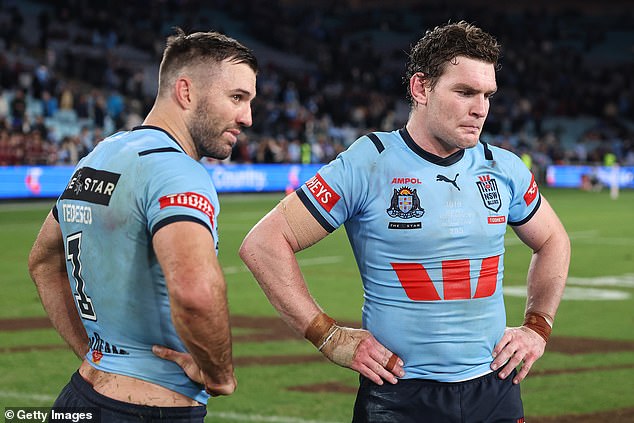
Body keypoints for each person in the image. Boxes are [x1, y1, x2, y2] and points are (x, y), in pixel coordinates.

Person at [238, 21, 570, 422]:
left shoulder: (503, 168)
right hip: (400, 396)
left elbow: (553, 239)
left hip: (495, 387)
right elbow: (264, 243)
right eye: (465, 92)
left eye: (487, 95)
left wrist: (537, 326)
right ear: (421, 88)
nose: (480, 108)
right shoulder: (370, 162)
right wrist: (328, 336)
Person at [27, 28, 257, 422]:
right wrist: (219, 375)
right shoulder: (178, 172)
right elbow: (196, 291)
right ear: (186, 92)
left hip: (80, 396)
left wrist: (93, 353)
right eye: (237, 98)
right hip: (149, 408)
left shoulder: (101, 154)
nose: (247, 117)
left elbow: (43, 262)